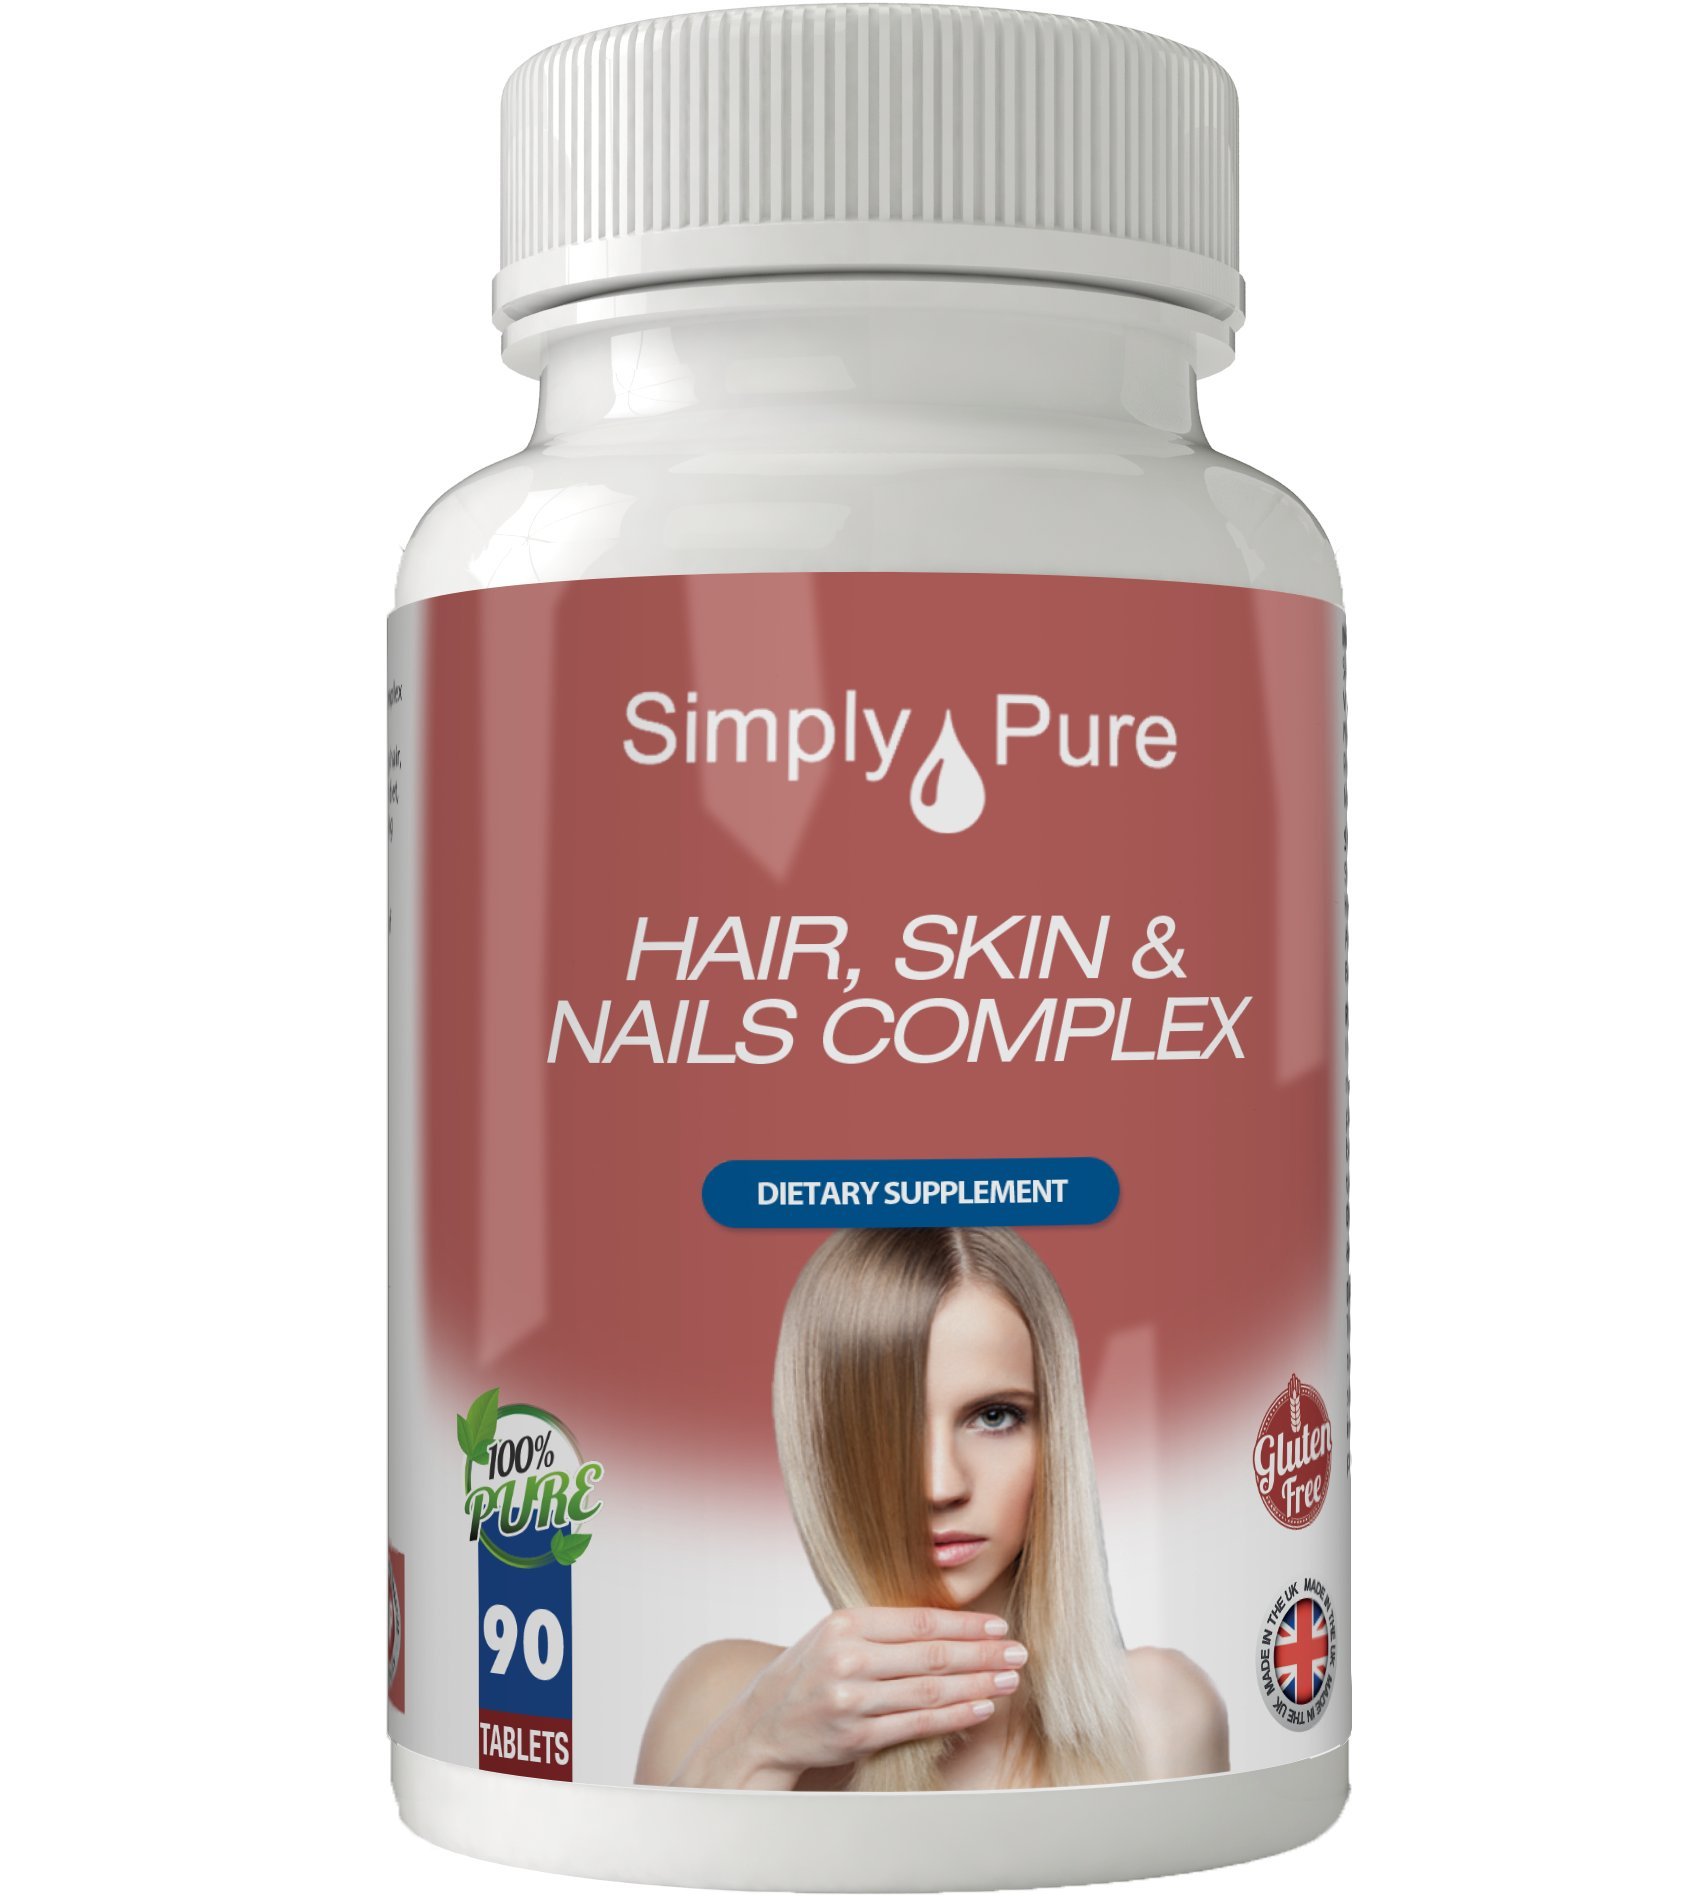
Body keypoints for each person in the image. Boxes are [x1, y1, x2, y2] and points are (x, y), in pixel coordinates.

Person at [635, 1227, 1228, 1791]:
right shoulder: (720, 1703)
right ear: (819, 1443)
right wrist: (759, 1746)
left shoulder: (1161, 1717)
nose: (940, 1485)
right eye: (888, 1424)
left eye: (994, 1416)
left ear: (1055, 1433)